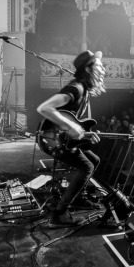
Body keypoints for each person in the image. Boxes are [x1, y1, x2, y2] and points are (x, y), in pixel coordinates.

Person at [37, 50, 106, 228]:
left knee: (94, 160)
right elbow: (44, 108)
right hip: (51, 139)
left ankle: (78, 197)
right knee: (87, 166)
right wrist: (72, 127)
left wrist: (84, 132)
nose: (103, 69)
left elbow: (72, 120)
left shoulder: (86, 92)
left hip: (62, 136)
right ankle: (59, 214)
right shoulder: (76, 89)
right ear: (89, 69)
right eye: (99, 65)